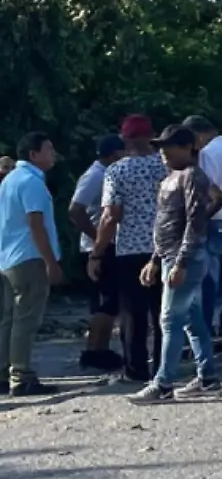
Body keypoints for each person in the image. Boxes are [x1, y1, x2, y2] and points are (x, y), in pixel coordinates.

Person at [129, 125, 222, 404]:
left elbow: (195, 222)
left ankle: (164, 383)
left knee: (169, 319)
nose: (163, 152)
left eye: (169, 146)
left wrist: (181, 261)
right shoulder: (171, 177)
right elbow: (165, 223)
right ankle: (208, 377)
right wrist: (155, 260)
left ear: (187, 148)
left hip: (186, 258)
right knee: (192, 320)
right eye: (160, 147)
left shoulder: (193, 176)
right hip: (170, 255)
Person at [94, 115, 167, 382]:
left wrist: (97, 251)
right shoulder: (166, 166)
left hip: (130, 250)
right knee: (164, 312)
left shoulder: (117, 171)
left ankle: (136, 370)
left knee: (133, 314)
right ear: (152, 136)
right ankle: (164, 368)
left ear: (125, 139)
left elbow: (111, 215)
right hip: (164, 248)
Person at [0, 133, 65, 396]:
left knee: (8, 319)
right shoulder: (31, 182)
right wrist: (51, 262)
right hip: (29, 258)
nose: (53, 154)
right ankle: (22, 375)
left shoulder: (9, 180)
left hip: (8, 258)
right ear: (33, 154)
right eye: (49, 149)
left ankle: (4, 372)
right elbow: (36, 224)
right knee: (26, 319)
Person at [182, 115, 222, 341]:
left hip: (215, 219)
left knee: (208, 281)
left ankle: (205, 332)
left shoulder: (209, 154)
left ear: (198, 135)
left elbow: (205, 188)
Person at [68, 134, 127, 372]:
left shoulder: (106, 174)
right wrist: (97, 238)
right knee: (103, 302)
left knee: (111, 302)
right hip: (97, 247)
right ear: (114, 154)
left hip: (106, 245)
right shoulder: (95, 176)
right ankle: (93, 351)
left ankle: (100, 349)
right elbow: (75, 210)